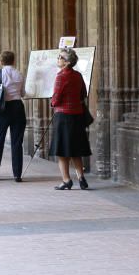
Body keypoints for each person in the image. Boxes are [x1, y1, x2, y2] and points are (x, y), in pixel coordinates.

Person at [49, 48, 92, 190]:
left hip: (63, 116)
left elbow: (56, 99)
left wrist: (52, 103)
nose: (58, 59)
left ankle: (66, 180)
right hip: (77, 115)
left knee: (62, 151)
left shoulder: (61, 76)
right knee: (75, 149)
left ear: (67, 62)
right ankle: (81, 177)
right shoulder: (78, 76)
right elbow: (83, 94)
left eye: (60, 57)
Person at [0, 50, 26, 181]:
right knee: (17, 142)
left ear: (1, 61)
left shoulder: (0, 73)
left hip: (3, 108)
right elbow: (23, 93)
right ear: (13, 60)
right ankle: (17, 174)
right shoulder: (19, 74)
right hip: (18, 107)